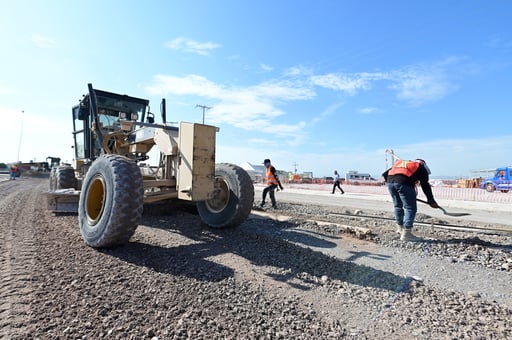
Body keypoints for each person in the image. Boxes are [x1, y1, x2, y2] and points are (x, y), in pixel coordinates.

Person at [382, 158, 439, 241]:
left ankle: (400, 229)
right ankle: (407, 234)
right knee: (410, 208)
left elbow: (385, 174)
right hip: (403, 183)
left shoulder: (403, 164)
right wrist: (431, 200)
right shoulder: (420, 167)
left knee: (398, 206)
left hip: (390, 182)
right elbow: (425, 185)